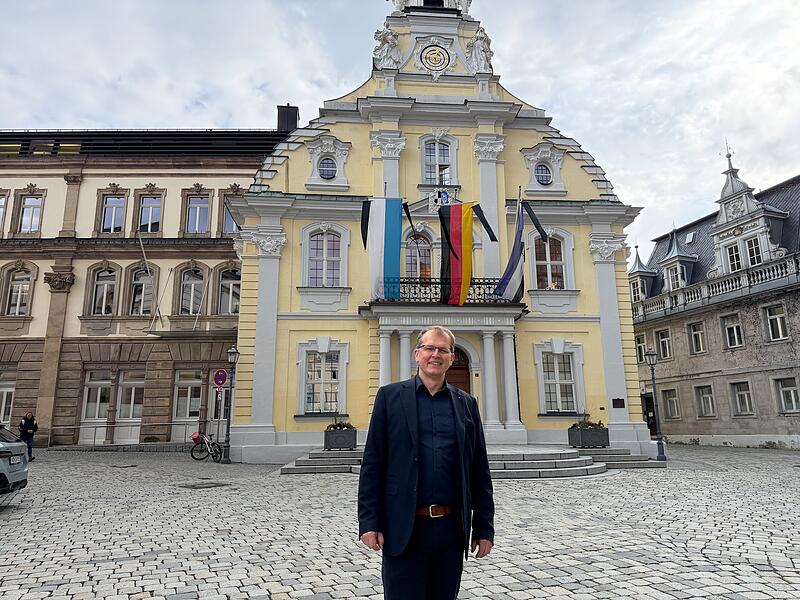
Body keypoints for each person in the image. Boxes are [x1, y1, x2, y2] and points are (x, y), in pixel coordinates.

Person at [358, 326, 494, 599]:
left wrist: (483, 527)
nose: (436, 355)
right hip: (404, 527)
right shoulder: (390, 397)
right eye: (430, 348)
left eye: (442, 350)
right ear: (417, 354)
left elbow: (479, 469)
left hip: (450, 530)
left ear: (451, 357)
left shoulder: (466, 403)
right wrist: (369, 522)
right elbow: (373, 463)